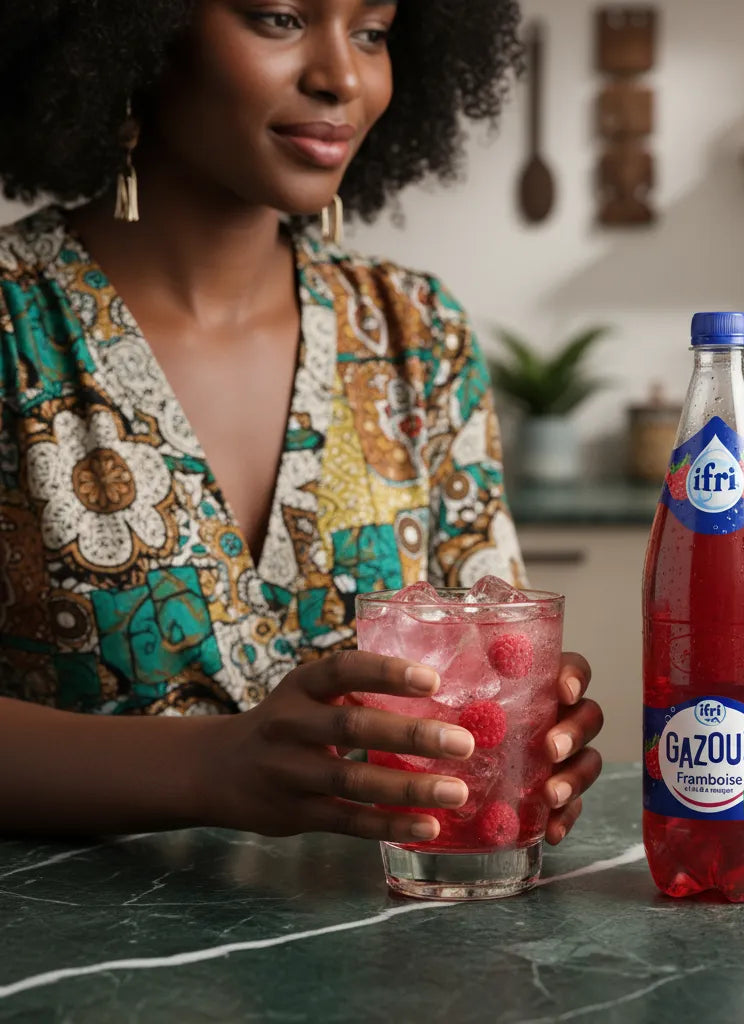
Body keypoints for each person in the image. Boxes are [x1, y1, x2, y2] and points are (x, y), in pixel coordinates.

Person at [0, 0, 603, 845]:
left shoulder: (414, 332)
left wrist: (532, 727)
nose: (342, 76)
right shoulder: (11, 324)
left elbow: (485, 639)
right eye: (280, 18)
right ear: (138, 32)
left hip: (384, 952)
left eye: (372, 32)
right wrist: (211, 767)